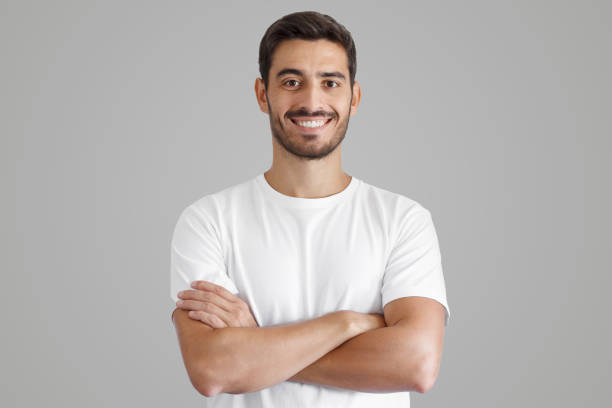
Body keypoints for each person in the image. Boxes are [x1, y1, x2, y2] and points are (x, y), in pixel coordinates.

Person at [170, 10, 450, 407]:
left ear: (353, 97)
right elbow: (213, 370)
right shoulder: (208, 221)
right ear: (262, 94)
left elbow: (416, 364)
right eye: (291, 81)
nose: (311, 101)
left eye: (330, 82)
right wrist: (349, 323)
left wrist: (256, 343)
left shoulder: (403, 220)